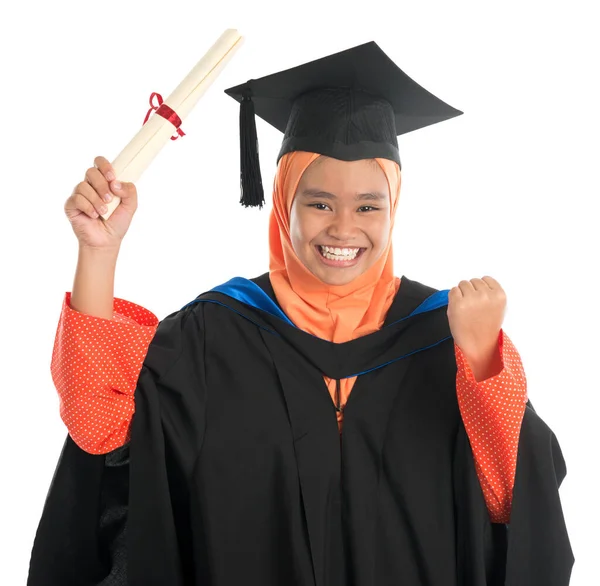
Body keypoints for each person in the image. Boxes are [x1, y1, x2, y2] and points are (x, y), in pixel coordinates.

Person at [28, 41, 574, 585]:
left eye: (368, 205)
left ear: (394, 208)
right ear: (282, 201)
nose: (342, 228)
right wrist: (98, 253)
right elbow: (99, 426)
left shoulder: (447, 336)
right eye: (318, 203)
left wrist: (482, 361)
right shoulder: (215, 334)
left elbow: (513, 505)